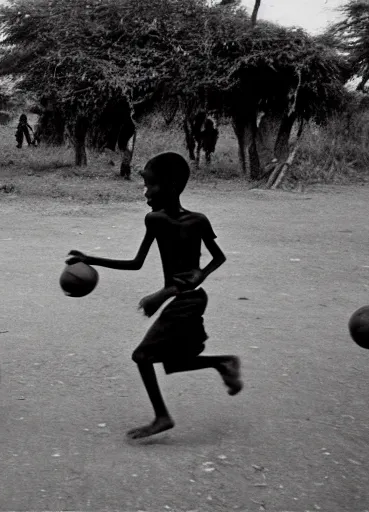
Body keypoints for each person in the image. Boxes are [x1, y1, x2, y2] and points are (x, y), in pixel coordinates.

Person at [66, 152, 242, 440]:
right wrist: (90, 259)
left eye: (152, 185)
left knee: (142, 355)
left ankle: (162, 417)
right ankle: (222, 363)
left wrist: (194, 278)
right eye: (145, 185)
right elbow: (136, 263)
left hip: (189, 300)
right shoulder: (155, 220)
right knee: (172, 361)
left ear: (171, 186)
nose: (146, 192)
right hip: (180, 298)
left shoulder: (198, 221)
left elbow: (217, 258)